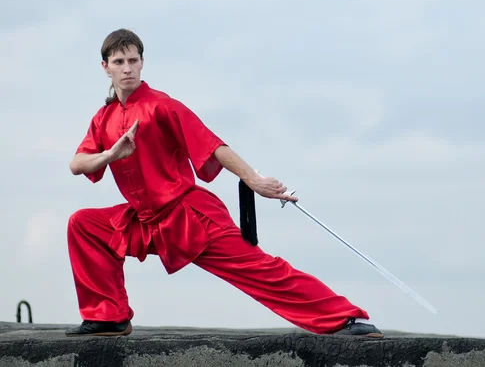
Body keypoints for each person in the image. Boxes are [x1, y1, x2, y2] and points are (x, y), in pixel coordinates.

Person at [65, 28, 383, 338]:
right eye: (119, 62)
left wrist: (254, 180)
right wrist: (111, 154)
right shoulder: (103, 118)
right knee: (84, 225)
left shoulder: (161, 106)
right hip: (145, 221)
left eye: (133, 60)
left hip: (189, 217)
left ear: (142, 63)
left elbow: (212, 144)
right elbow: (77, 164)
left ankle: (345, 318)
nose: (127, 68)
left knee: (261, 270)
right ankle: (108, 318)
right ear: (105, 67)